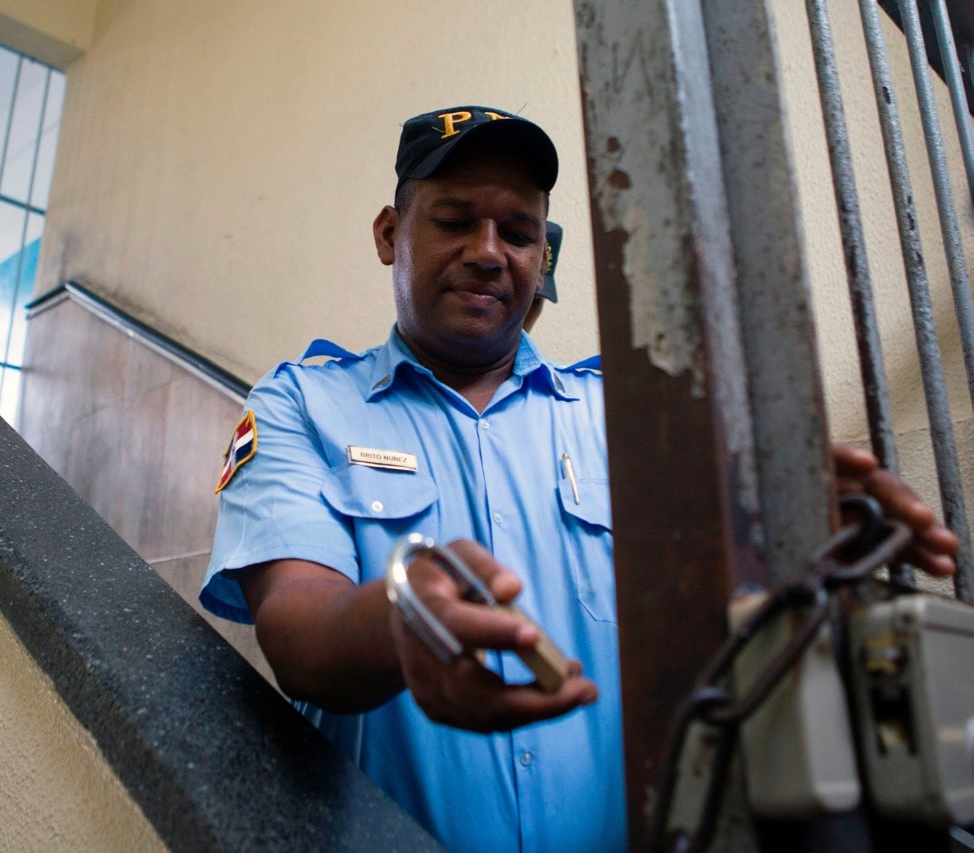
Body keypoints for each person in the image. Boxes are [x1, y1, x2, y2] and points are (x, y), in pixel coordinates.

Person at [199, 106, 958, 851]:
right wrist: (402, 620)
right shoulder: (303, 403)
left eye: (519, 232)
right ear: (390, 235)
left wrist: (792, 524)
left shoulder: (627, 419)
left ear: (541, 257)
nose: (489, 251)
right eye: (455, 220)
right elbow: (298, 624)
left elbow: (721, 595)